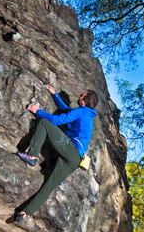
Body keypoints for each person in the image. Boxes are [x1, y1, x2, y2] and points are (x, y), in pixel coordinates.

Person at [15, 84, 99, 222]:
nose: (79, 95)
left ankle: (32, 155)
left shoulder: (82, 112)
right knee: (49, 185)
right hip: (76, 160)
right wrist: (54, 94)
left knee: (44, 123)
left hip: (71, 149)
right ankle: (25, 212)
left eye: (82, 95)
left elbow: (56, 120)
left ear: (84, 101)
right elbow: (66, 110)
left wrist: (38, 111)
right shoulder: (87, 115)